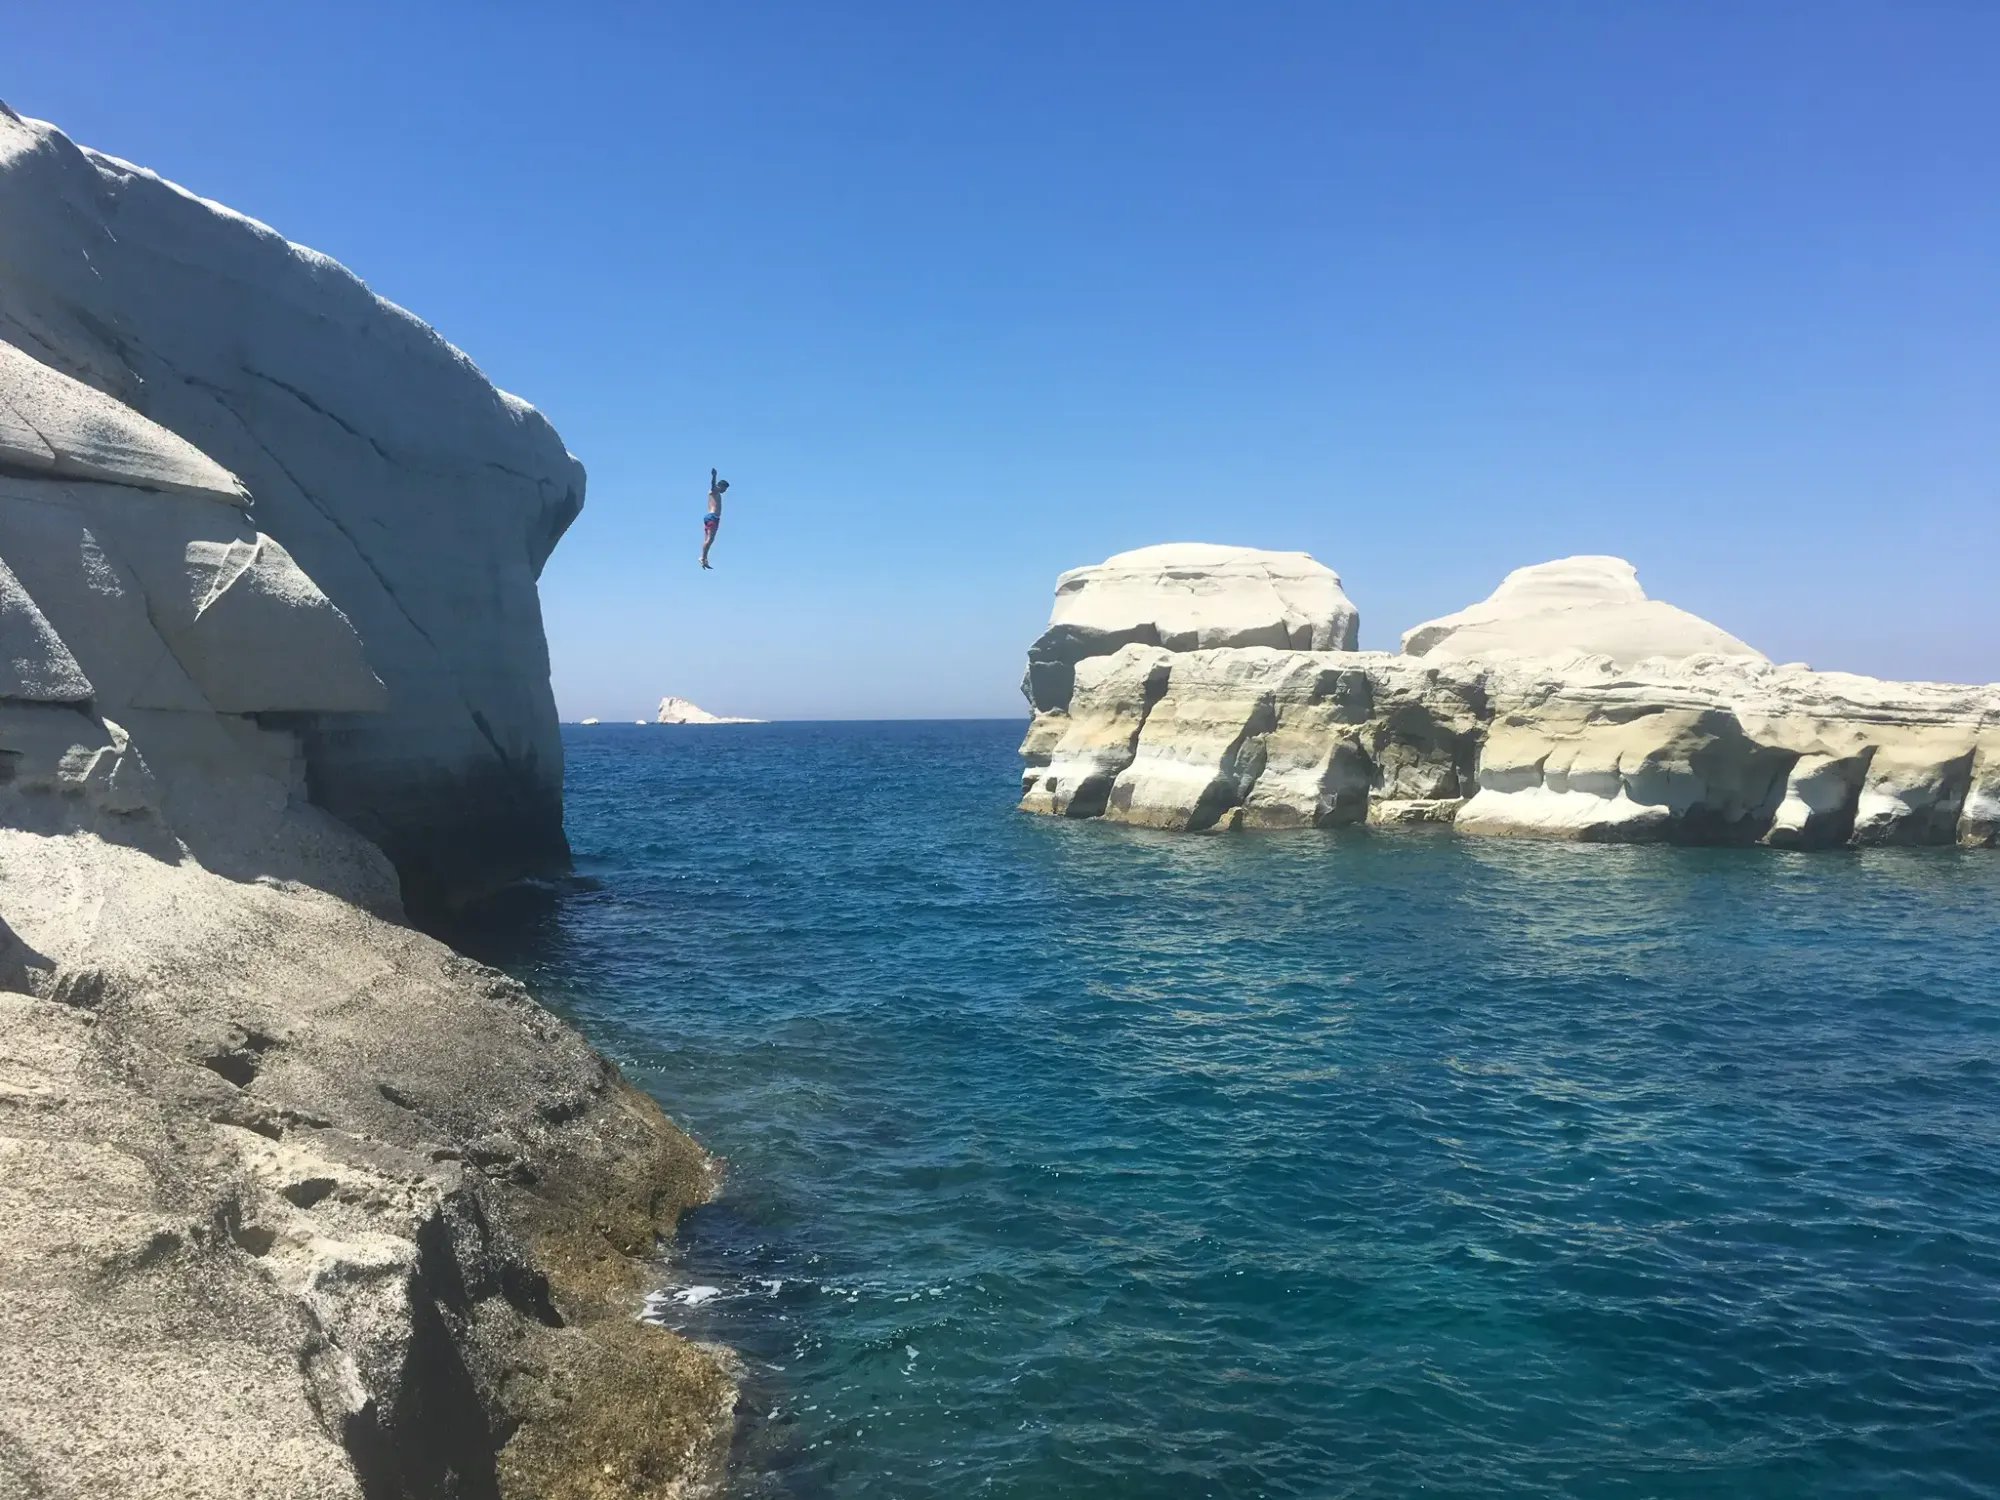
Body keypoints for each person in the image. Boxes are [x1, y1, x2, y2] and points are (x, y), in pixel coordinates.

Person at [699, 468, 729, 569]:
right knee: (710, 539)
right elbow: (712, 485)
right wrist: (714, 476)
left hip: (712, 517)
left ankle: (704, 558)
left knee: (708, 539)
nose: (725, 491)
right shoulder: (714, 490)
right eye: (724, 488)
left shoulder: (717, 493)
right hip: (712, 517)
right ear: (720, 486)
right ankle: (702, 557)